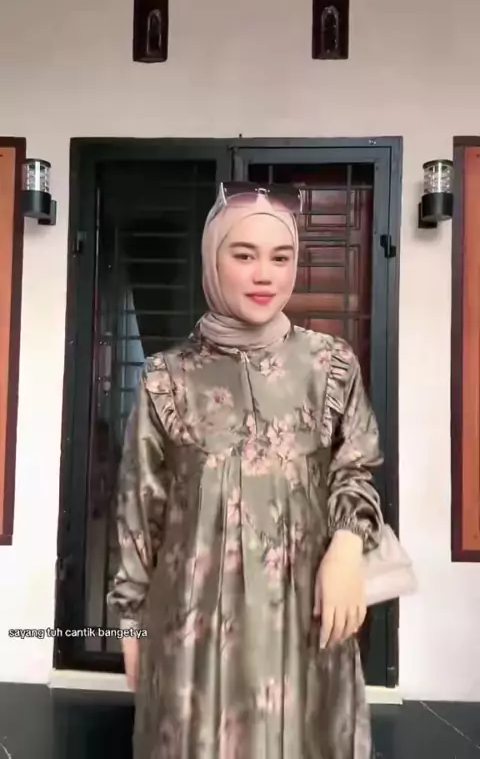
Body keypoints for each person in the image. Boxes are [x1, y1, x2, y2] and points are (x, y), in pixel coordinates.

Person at [107, 183, 384, 759]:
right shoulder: (166, 378)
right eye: (244, 254)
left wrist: (347, 545)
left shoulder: (330, 366)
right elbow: (139, 510)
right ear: (214, 259)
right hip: (194, 627)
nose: (265, 275)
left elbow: (356, 466)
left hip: (306, 618)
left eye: (281, 257)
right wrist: (130, 623)